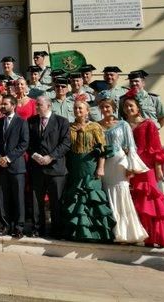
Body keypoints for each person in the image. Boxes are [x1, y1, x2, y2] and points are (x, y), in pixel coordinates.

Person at [59, 100, 116, 242]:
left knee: (91, 195)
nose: (77, 111)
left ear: (87, 111)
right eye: (75, 108)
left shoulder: (95, 127)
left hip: (90, 165)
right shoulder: (69, 127)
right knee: (75, 196)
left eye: (80, 108)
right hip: (74, 166)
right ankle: (75, 232)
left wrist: (101, 167)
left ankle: (94, 233)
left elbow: (102, 150)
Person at [98, 98, 149, 244]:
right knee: (107, 195)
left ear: (113, 108)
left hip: (120, 164)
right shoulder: (97, 125)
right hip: (105, 165)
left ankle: (127, 233)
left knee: (122, 194)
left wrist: (131, 167)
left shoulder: (123, 124)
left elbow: (131, 146)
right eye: (102, 107)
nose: (105, 109)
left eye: (107, 106)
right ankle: (112, 232)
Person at [122, 92, 164, 248]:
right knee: (135, 201)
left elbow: (156, 147)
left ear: (138, 108)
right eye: (126, 106)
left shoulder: (148, 124)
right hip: (129, 167)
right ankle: (142, 235)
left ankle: (160, 237)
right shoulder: (123, 125)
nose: (129, 109)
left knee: (151, 201)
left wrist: (158, 169)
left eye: (131, 106)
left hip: (146, 167)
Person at [27, 96, 71, 238]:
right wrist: (35, 156)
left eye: (39, 105)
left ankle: (57, 230)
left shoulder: (61, 121)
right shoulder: (31, 121)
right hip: (37, 168)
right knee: (36, 201)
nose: (37, 107)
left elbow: (65, 144)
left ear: (48, 105)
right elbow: (27, 143)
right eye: (36, 105)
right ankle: (37, 229)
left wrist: (50, 157)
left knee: (56, 202)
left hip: (56, 168)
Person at [0, 95, 29, 238]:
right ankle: (5, 225)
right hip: (1, 166)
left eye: (5, 104)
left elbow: (24, 144)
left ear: (13, 105)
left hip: (16, 166)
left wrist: (8, 158)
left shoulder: (21, 122)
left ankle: (19, 227)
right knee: (2, 198)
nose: (2, 106)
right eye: (2, 104)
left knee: (18, 198)